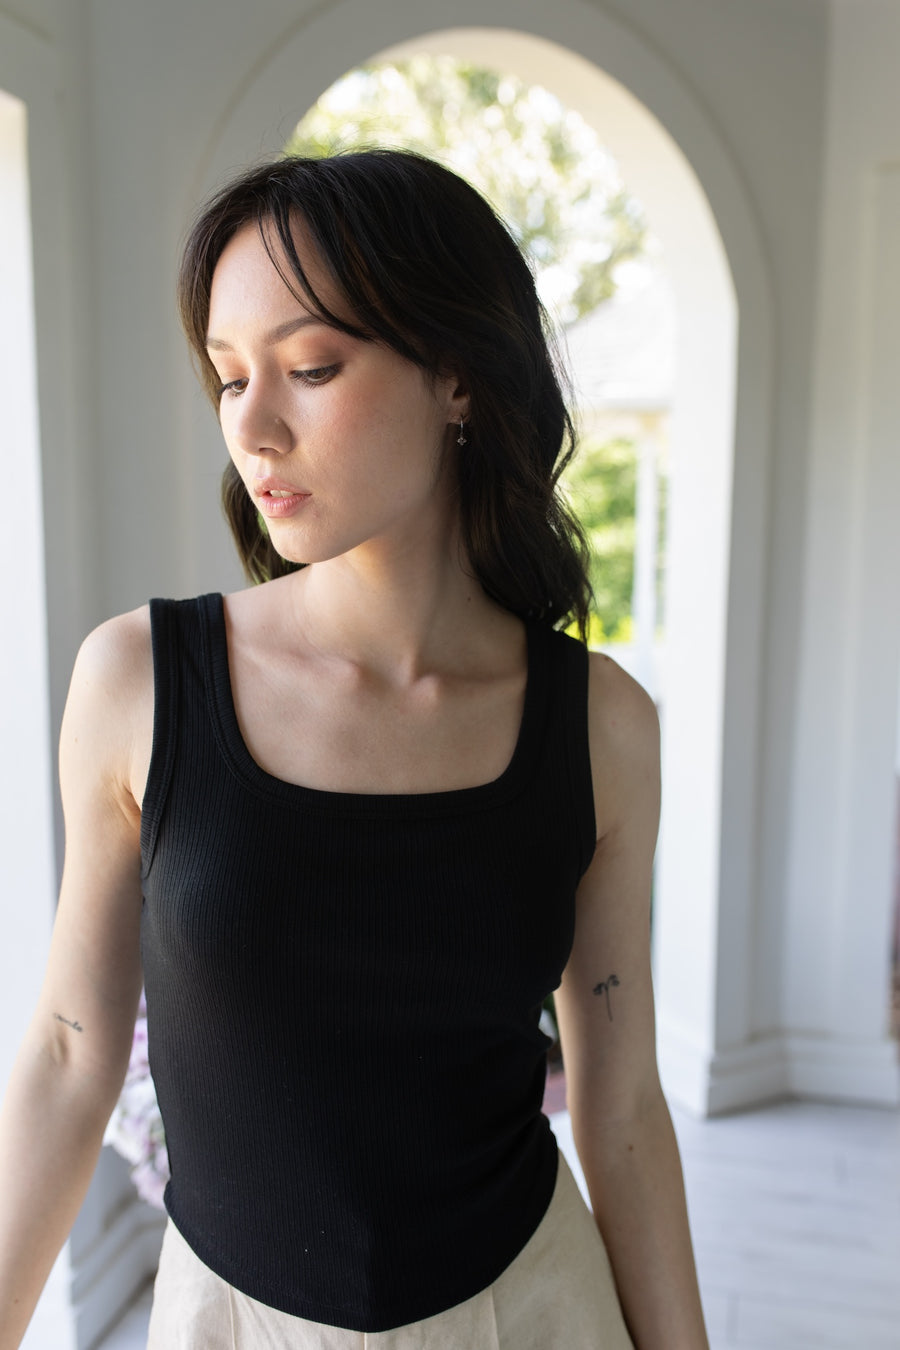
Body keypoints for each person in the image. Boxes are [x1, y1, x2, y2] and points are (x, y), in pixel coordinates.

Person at [0, 149, 708, 1349]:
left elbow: (623, 1102)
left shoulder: (600, 726)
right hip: (224, 1316)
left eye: (311, 367)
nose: (254, 427)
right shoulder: (139, 684)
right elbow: (72, 1049)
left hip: (526, 1311)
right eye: (229, 379)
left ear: (460, 382)